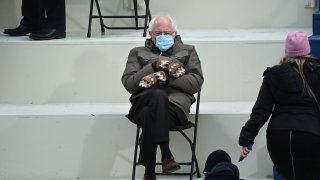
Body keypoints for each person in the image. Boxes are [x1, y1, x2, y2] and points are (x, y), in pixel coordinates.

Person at [121, 14, 204, 180]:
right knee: (155, 98)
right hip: (142, 103)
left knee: (150, 110)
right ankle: (166, 154)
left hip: (174, 109)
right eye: (158, 33)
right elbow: (130, 84)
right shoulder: (137, 52)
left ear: (175, 33)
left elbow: (195, 83)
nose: (163, 36)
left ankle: (149, 172)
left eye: (167, 32)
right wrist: (153, 65)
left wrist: (162, 77)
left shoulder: (188, 51)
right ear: (150, 34)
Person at [238, 31, 320, 180]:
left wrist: (246, 139)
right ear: (307, 50)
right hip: (310, 134)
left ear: (287, 51)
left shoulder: (274, 74)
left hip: (278, 136)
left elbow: (260, 111)